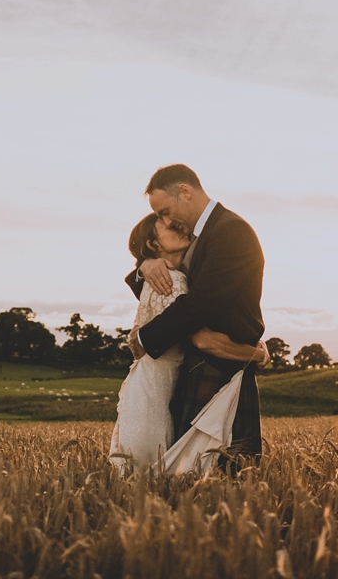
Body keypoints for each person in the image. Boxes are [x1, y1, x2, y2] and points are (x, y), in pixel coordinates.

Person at [126, 164, 268, 468]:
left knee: (228, 472)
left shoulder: (231, 231)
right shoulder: (200, 234)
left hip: (223, 368)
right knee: (188, 473)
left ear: (185, 192)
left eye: (164, 211)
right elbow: (171, 281)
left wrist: (143, 337)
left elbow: (200, 305)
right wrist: (145, 264)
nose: (164, 220)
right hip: (198, 366)